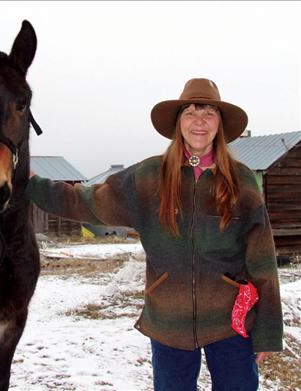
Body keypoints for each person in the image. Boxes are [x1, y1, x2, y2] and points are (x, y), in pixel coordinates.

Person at [26, 78, 283, 390]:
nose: (199, 122)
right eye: (189, 113)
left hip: (231, 322)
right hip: (167, 320)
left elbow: (263, 260)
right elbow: (87, 202)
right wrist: (31, 183)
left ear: (220, 124)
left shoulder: (241, 181)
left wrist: (268, 331)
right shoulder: (149, 176)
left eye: (208, 113)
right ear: (178, 123)